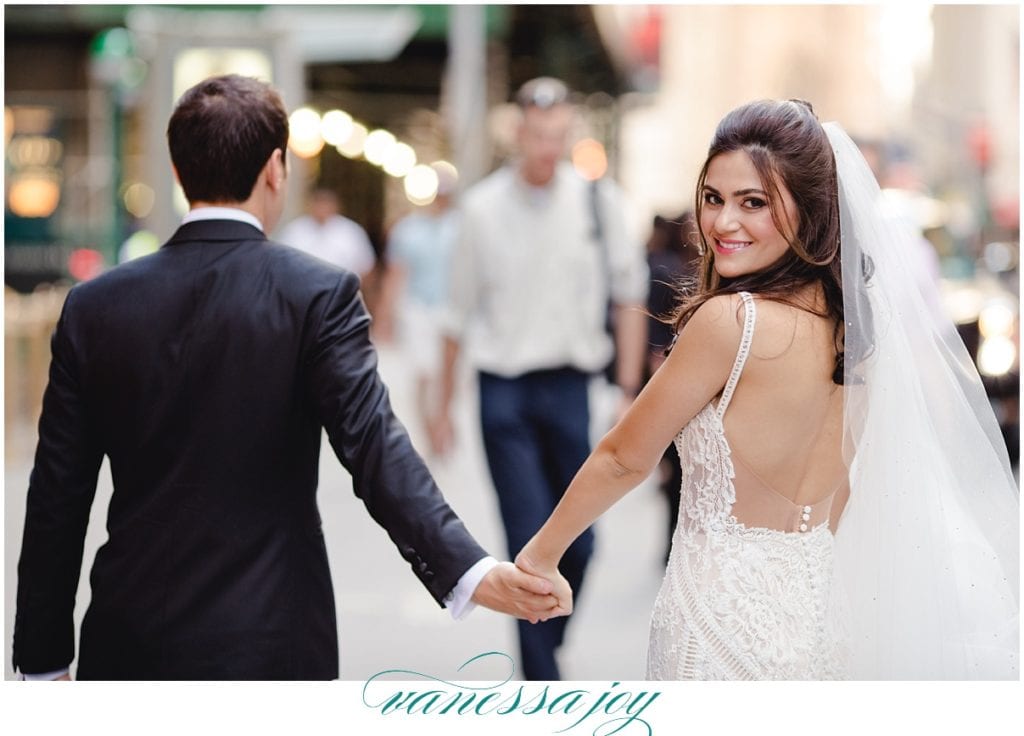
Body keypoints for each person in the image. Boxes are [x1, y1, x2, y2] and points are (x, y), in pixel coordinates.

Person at [11, 74, 567, 682]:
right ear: (276, 168)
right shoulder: (316, 293)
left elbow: (56, 498)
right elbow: (374, 449)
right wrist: (469, 571)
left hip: (131, 637)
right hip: (274, 636)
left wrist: (42, 664)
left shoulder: (96, 307)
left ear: (177, 171)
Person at [516, 99, 1019, 680]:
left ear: (807, 211)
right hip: (822, 624)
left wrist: (541, 555)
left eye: (753, 203)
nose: (724, 223)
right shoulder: (856, 335)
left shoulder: (732, 322)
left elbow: (624, 456)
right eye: (713, 198)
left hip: (718, 620)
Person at [432, 77, 649, 680]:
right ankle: (541, 687)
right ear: (518, 133)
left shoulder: (597, 204)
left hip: (570, 390)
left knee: (582, 545)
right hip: (503, 394)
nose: (549, 148)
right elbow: (455, 315)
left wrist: (627, 391)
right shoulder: (481, 208)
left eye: (559, 136)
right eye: (539, 135)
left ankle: (544, 648)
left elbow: (629, 299)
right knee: (530, 540)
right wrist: (440, 406)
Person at [376, 163, 459, 439]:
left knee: (448, 372)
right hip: (418, 310)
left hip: (453, 309)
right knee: (423, 373)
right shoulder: (408, 230)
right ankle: (428, 428)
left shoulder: (460, 227)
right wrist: (384, 318)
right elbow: (396, 276)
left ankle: (442, 419)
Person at [277, 186, 377, 282]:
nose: (322, 208)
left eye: (326, 203)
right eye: (318, 203)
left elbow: (366, 268)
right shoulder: (294, 230)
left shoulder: (351, 232)